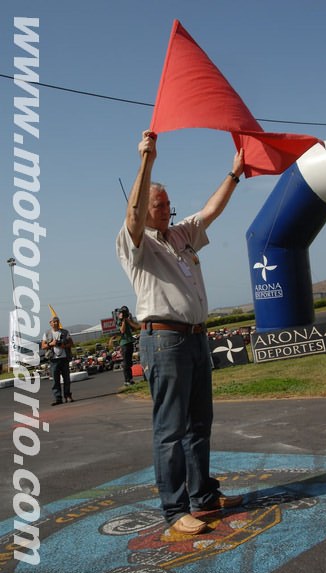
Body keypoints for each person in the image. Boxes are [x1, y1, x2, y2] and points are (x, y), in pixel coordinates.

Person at [116, 130, 244, 535]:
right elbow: (134, 215)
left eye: (169, 205)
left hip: (194, 337)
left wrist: (234, 174)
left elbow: (210, 210)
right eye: (159, 205)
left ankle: (203, 495)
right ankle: (174, 509)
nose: (167, 211)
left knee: (199, 424)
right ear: (143, 208)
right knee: (170, 430)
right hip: (165, 340)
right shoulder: (134, 242)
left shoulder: (181, 235)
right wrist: (146, 159)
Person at [42, 316, 74, 405]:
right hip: (53, 360)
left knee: (66, 379)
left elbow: (71, 343)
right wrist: (51, 344)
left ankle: (67, 395)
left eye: (57, 321)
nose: (56, 323)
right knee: (55, 380)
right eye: (54, 321)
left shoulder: (65, 332)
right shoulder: (47, 333)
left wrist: (64, 346)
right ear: (50, 323)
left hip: (64, 358)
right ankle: (58, 398)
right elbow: (43, 346)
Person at [117, 305, 140, 385]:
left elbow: (135, 327)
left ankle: (130, 379)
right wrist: (123, 320)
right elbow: (122, 331)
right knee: (126, 362)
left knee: (129, 362)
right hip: (124, 343)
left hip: (130, 342)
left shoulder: (128, 319)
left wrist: (129, 319)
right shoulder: (119, 321)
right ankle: (126, 380)